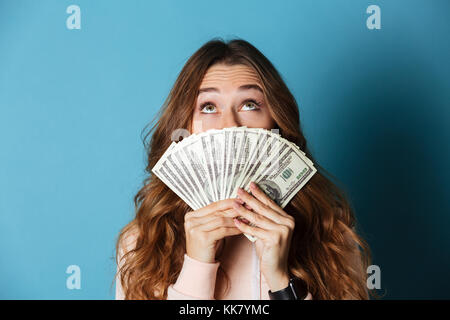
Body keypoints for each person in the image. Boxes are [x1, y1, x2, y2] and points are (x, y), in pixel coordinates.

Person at [114, 38, 374, 300]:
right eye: (208, 107)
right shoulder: (143, 243)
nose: (230, 125)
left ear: (276, 122)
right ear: (186, 125)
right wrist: (197, 266)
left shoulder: (330, 235)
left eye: (249, 104)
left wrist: (281, 281)